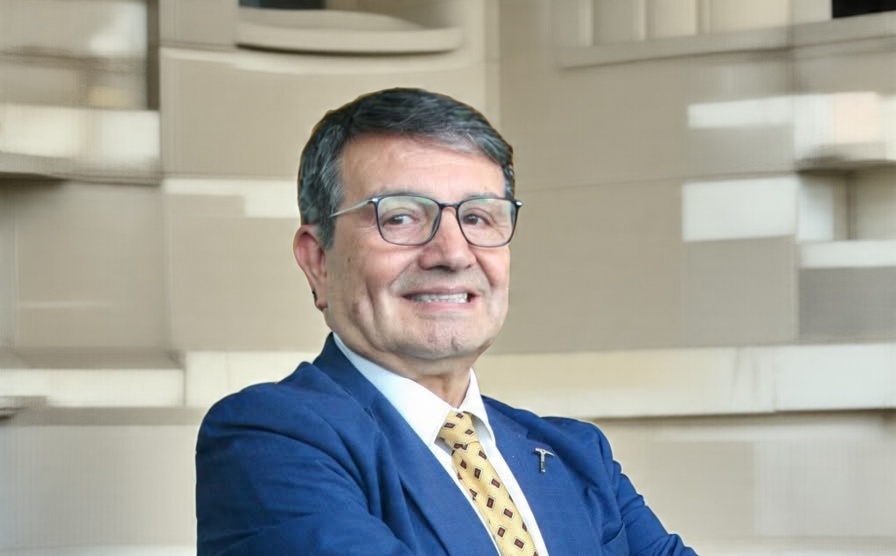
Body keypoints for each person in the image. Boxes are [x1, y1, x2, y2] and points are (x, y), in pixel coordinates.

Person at [195, 87, 698, 556]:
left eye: (478, 217)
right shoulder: (269, 439)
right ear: (318, 261)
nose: (453, 253)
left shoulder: (578, 457)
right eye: (399, 217)